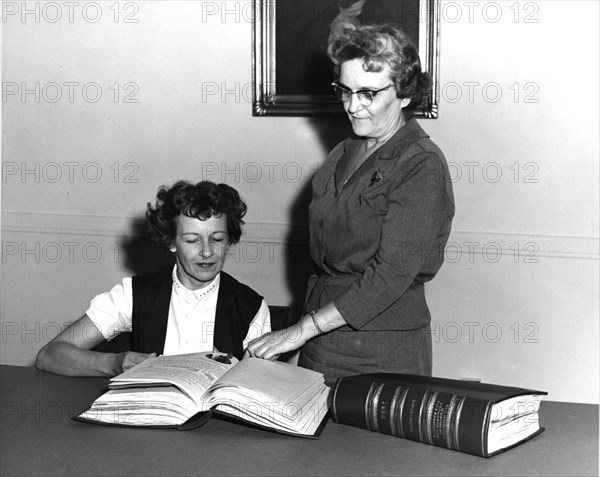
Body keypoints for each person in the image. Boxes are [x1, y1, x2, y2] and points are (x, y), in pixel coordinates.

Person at [248, 24, 454, 386]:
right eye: (345, 91)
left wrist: (300, 331)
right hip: (321, 340)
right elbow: (323, 268)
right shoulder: (343, 151)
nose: (353, 106)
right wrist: (300, 341)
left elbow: (389, 277)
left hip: (381, 347)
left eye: (368, 94)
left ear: (405, 94)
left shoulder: (421, 165)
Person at [36, 180, 271, 377]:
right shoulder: (134, 295)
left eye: (217, 239)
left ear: (229, 240)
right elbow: (50, 355)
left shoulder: (251, 306)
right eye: (192, 240)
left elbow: (259, 385)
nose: (207, 251)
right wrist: (114, 363)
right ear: (170, 242)